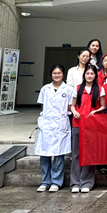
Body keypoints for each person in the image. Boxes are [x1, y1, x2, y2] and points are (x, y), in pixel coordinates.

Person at [35, 64, 75, 193]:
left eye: (59, 73)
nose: (57, 75)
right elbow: (43, 106)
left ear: (63, 74)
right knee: (44, 155)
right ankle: (45, 181)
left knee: (58, 155)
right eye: (54, 73)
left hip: (60, 123)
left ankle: (56, 182)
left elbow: (70, 106)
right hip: (46, 124)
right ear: (51, 74)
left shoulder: (68, 89)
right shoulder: (45, 89)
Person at [70, 65, 105, 193]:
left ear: (95, 75)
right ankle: (75, 183)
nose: (89, 76)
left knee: (89, 154)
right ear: (84, 75)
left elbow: (103, 106)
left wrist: (95, 111)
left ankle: (86, 182)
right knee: (76, 154)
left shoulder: (100, 89)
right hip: (77, 124)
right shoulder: (77, 88)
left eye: (92, 73)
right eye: (87, 73)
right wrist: (74, 111)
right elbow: (72, 105)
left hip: (92, 126)